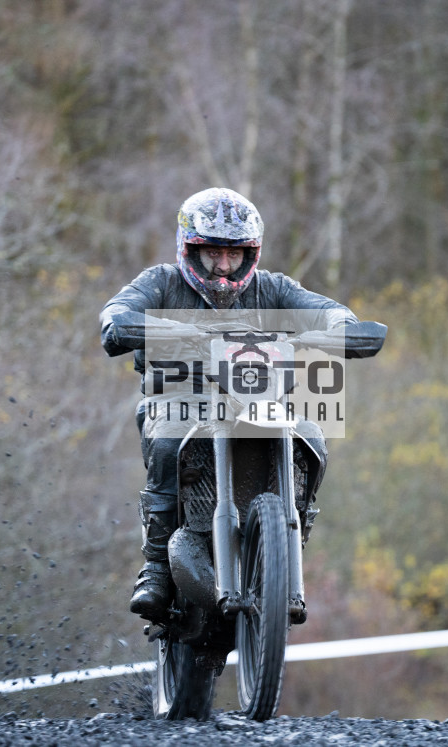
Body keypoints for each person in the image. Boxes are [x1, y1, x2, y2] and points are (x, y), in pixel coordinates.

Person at [99, 187, 359, 619]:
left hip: (257, 402)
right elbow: (119, 310)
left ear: (250, 255)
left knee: (313, 435)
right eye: (212, 254)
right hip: (179, 399)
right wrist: (124, 322)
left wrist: (342, 325)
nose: (223, 266)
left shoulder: (273, 289)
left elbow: (325, 308)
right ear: (190, 249)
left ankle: (285, 549)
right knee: (167, 438)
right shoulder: (161, 282)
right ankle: (157, 567)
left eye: (234, 256)